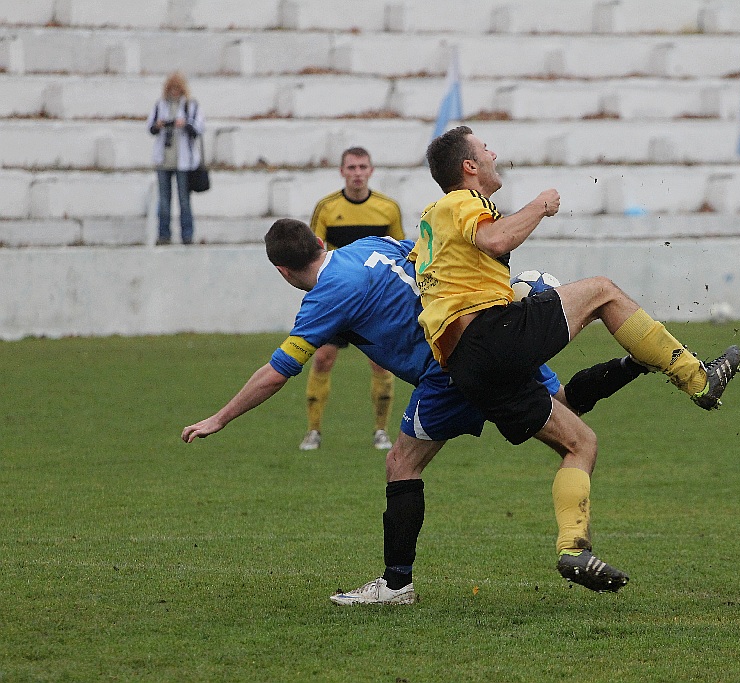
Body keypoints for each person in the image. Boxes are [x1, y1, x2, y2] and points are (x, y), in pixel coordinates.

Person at [182, 220, 651, 605]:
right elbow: (435, 258)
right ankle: (636, 363)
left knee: (401, 464)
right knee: (564, 407)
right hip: (485, 336)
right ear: (320, 242)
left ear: (283, 272)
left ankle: (396, 585)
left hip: (448, 373)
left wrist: (219, 418)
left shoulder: (325, 298)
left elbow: (277, 372)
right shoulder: (370, 245)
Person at [411, 126, 740, 593]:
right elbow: (495, 241)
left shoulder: (430, 223)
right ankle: (698, 379)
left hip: (467, 369)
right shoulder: (461, 202)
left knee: (580, 442)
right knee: (602, 291)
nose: (493, 154)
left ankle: (574, 550)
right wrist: (540, 205)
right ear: (470, 166)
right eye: (485, 149)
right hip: (489, 336)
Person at [300, 147, 404, 453]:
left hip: (375, 302)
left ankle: (381, 431)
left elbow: (400, 252)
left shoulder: (388, 208)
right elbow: (312, 255)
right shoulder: (326, 208)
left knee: (381, 364)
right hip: (338, 300)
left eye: (362, 167)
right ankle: (313, 431)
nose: (357, 173)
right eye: (351, 167)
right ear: (342, 171)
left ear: (371, 171)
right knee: (322, 358)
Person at [145, 72, 205, 245]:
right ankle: (164, 235)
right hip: (164, 160)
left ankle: (187, 235)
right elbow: (150, 128)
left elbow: (200, 128)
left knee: (184, 200)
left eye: (177, 88)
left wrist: (184, 124)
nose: (174, 92)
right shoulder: (160, 105)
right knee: (164, 201)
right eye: (172, 88)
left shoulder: (190, 106)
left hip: (184, 162)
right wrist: (159, 125)